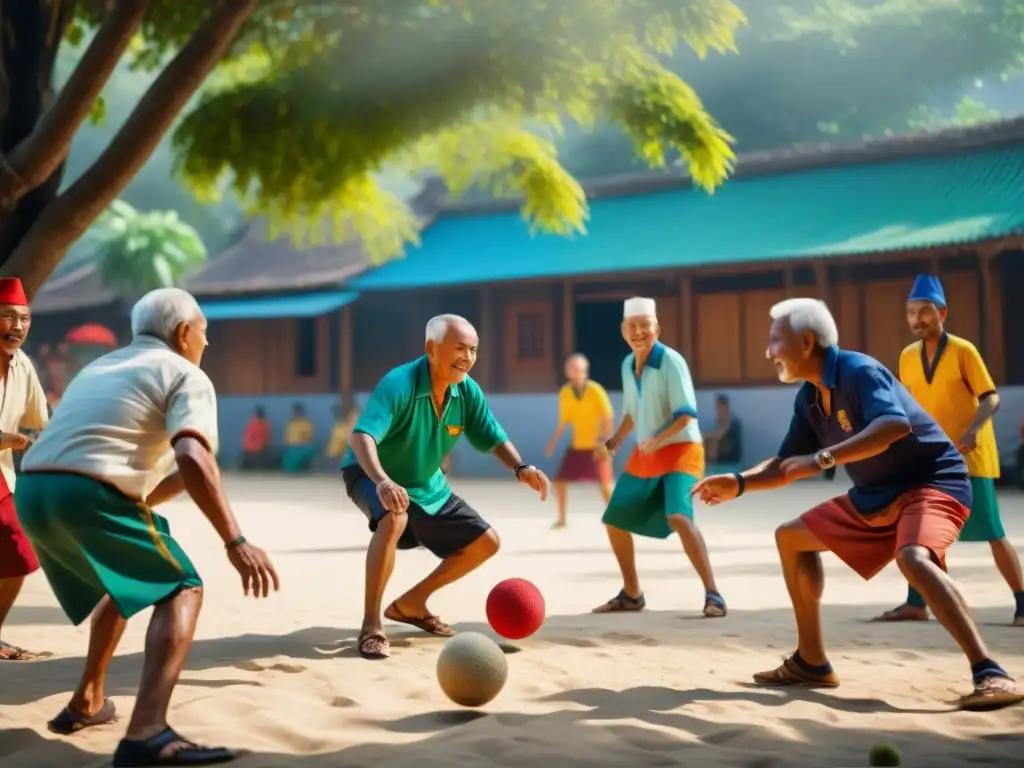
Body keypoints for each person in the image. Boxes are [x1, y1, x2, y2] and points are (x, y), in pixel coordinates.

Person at [692, 297, 1022, 711]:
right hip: (876, 493)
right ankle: (811, 662)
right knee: (791, 538)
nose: (768, 351)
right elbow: (785, 464)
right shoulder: (809, 397)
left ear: (807, 341)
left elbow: (893, 425)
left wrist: (824, 458)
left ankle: (991, 672)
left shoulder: (858, 370)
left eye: (776, 340)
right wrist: (739, 483)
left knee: (914, 559)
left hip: (932, 482)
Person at [17, 288, 279, 766]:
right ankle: (149, 731)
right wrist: (235, 540)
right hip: (86, 491)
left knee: (123, 584)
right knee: (182, 586)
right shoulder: (186, 373)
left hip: (32, 491)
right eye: (204, 332)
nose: (206, 343)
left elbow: (177, 472)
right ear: (183, 333)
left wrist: (138, 507)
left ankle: (87, 702)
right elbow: (194, 457)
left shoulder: (99, 369)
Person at [342, 313, 549, 659]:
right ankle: (371, 626)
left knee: (486, 542)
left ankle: (411, 604)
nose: (467, 357)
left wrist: (521, 466)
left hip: (427, 484)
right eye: (459, 348)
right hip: (371, 474)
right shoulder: (399, 384)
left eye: (473, 350)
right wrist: (383, 481)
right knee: (394, 518)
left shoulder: (466, 390)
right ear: (431, 348)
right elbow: (362, 436)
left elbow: (492, 435)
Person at [875, 275, 1024, 626]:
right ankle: (916, 602)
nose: (916, 320)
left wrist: (973, 429)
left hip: (970, 455)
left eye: (924, 312)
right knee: (918, 531)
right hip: (928, 458)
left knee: (991, 530)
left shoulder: (963, 350)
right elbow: (907, 406)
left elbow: (990, 397)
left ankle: (1022, 602)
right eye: (911, 313)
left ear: (942, 312)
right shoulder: (907, 356)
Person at [593, 297, 726, 618]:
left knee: (679, 516)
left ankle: (713, 594)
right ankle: (632, 593)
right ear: (624, 331)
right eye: (633, 327)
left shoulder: (671, 361)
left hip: (682, 450)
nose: (639, 332)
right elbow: (631, 413)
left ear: (657, 328)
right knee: (614, 519)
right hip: (646, 453)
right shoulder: (627, 364)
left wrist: (658, 438)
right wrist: (613, 443)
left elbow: (686, 415)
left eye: (645, 326)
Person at [0, 278, 50, 661]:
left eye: (25, 319)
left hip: (4, 477)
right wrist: (9, 439)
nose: (17, 326)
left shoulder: (24, 367)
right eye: (7, 317)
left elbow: (43, 425)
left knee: (18, 555)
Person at [544, 353, 615, 528]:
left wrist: (605, 442)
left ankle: (616, 518)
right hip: (577, 446)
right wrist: (552, 443)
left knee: (605, 486)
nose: (574, 371)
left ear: (585, 370)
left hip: (597, 446)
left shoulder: (595, 390)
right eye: (571, 368)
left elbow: (608, 417)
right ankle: (562, 520)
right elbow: (563, 422)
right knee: (559, 481)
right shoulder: (566, 392)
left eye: (577, 368)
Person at [703, 394, 742, 465]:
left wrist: (704, 435)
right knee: (709, 439)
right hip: (725, 443)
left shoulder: (729, 417)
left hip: (730, 447)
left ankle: (711, 464)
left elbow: (719, 434)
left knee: (713, 439)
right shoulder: (721, 415)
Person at [281, 402, 315, 473]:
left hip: (302, 448)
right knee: (287, 457)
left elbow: (310, 439)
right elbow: (286, 439)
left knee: (297, 457)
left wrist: (300, 445)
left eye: (298, 411)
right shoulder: (290, 423)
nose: (296, 413)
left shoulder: (306, 423)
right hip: (291, 448)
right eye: (295, 411)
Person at [240, 405, 272, 470]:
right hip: (258, 451)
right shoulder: (264, 425)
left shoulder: (250, 423)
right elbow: (266, 440)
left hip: (248, 450)